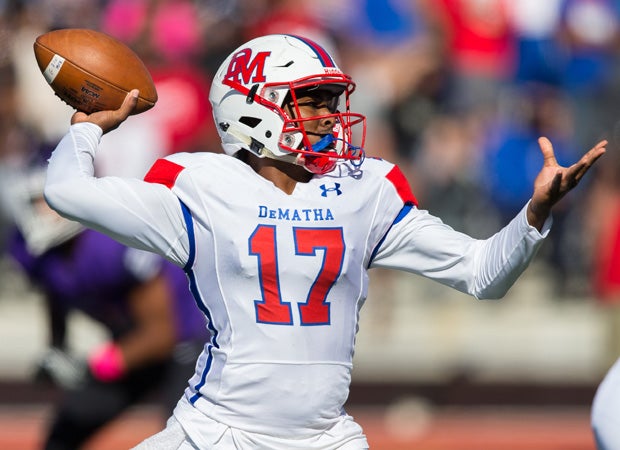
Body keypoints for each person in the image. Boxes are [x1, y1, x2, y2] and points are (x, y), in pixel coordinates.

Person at [43, 34, 605, 449]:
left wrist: (535, 213)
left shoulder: (365, 190)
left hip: (324, 439)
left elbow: (483, 273)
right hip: (215, 433)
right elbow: (66, 191)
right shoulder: (200, 187)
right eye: (313, 101)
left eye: (332, 102)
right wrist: (88, 124)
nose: (332, 118)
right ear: (254, 107)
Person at [5, 169, 207, 450]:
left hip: (187, 344)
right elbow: (56, 292)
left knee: (187, 440)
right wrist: (57, 348)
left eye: (49, 202)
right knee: (64, 433)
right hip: (133, 342)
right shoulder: (40, 255)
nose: (45, 210)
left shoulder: (107, 244)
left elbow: (163, 334)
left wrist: (97, 364)